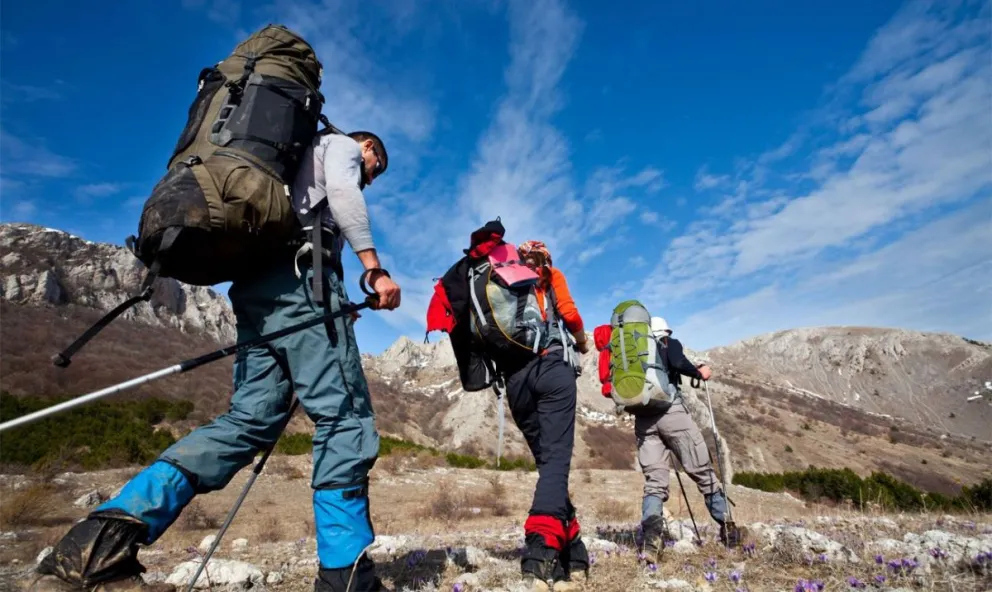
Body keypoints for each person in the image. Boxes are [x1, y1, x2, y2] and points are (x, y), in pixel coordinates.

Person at [35, 130, 401, 592]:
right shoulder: (340, 146)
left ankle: (94, 548)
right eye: (377, 166)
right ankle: (346, 579)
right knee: (344, 420)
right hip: (302, 283)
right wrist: (374, 266)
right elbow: (346, 194)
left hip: (253, 292)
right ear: (367, 147)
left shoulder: (283, 162)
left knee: (247, 421)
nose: (373, 175)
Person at [507, 240, 590, 591]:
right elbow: (569, 314)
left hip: (515, 380)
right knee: (555, 460)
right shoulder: (550, 274)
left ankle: (573, 550)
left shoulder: (503, 281)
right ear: (545, 259)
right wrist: (582, 342)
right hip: (551, 368)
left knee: (548, 465)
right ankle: (540, 551)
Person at [631, 317, 741, 560]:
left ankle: (651, 541)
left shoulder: (634, 352)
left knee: (655, 482)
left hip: (643, 419)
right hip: (672, 413)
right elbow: (679, 362)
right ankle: (728, 530)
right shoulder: (668, 343)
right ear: (665, 331)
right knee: (702, 470)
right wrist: (699, 372)